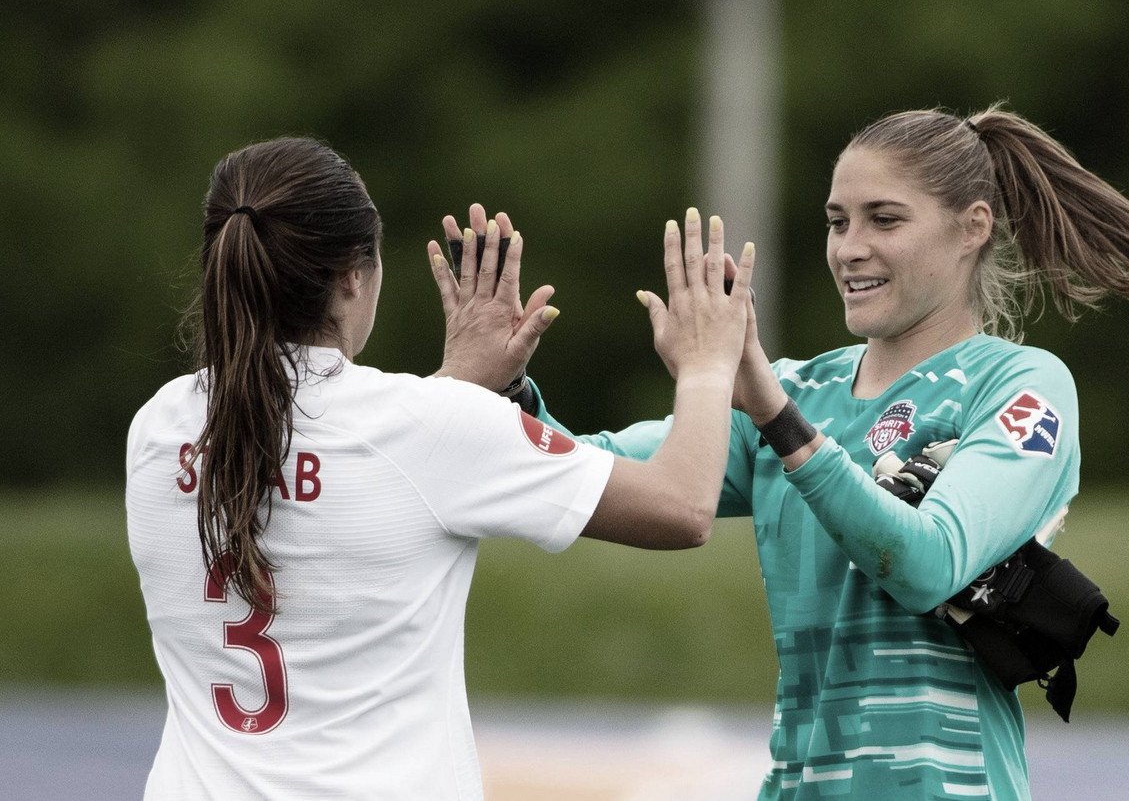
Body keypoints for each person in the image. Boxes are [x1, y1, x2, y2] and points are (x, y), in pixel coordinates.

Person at [446, 105, 1129, 799]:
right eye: (836, 221)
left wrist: (777, 419)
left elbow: (930, 563)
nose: (849, 248)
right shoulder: (796, 389)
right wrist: (507, 389)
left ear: (973, 227)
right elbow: (596, 467)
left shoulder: (1022, 385)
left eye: (884, 220)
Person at [124, 135, 755, 799]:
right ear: (350, 279)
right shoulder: (429, 430)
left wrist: (455, 389)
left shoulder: (157, 429)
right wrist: (710, 361)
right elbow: (682, 506)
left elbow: (345, 466)